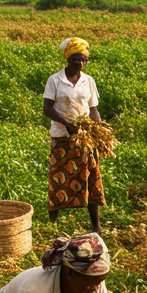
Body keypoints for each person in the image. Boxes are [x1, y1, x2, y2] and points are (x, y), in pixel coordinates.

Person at [44, 37, 104, 234]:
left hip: (84, 138)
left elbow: (93, 109)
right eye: (76, 59)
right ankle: (52, 223)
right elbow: (47, 109)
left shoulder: (89, 81)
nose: (80, 63)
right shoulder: (55, 80)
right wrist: (66, 123)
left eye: (84, 60)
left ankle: (96, 226)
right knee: (58, 178)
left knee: (91, 178)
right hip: (61, 136)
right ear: (68, 59)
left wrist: (99, 130)